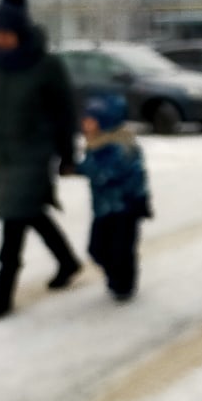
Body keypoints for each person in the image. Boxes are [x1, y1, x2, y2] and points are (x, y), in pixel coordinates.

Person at [0, 0, 81, 318]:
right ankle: (67, 261)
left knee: (14, 220)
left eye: (5, 33)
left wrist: (67, 154)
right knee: (30, 212)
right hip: (3, 154)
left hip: (33, 152)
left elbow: (65, 112)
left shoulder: (46, 65)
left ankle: (2, 295)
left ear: (19, 32)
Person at [76, 94, 151, 301]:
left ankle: (124, 285)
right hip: (104, 208)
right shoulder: (97, 143)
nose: (85, 124)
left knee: (122, 249)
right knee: (97, 248)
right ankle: (116, 277)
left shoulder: (120, 145)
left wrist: (80, 168)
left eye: (91, 120)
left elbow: (108, 173)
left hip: (125, 207)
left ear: (105, 120)